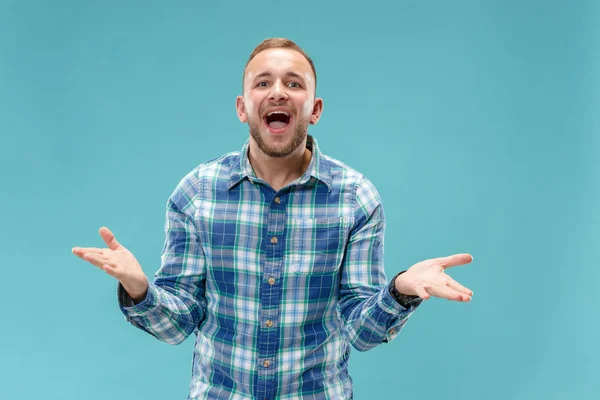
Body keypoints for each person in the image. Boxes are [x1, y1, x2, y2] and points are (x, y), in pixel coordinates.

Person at [72, 37, 474, 400]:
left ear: (314, 109)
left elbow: (361, 331)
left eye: (293, 83)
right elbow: (177, 325)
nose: (278, 92)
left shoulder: (355, 198)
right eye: (263, 83)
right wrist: (139, 288)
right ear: (242, 107)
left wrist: (400, 290)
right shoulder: (196, 193)